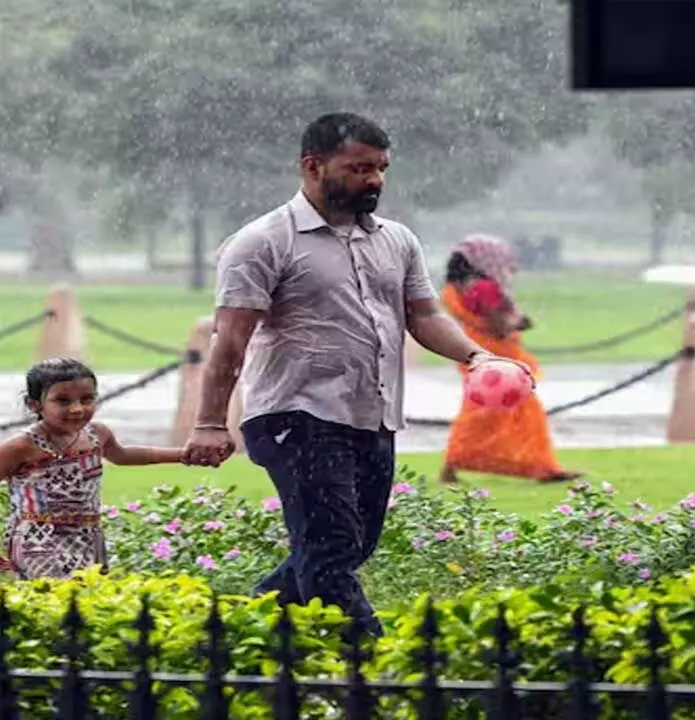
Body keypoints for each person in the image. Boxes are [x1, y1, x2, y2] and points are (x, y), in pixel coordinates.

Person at [180, 112, 522, 637]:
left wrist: (478, 357)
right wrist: (208, 422)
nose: (375, 180)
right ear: (312, 167)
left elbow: (425, 316)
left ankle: (234, 634)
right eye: (360, 167)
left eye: (381, 168)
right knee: (333, 548)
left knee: (352, 543)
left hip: (371, 414)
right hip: (296, 415)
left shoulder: (397, 240)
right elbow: (231, 341)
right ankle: (370, 662)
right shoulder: (263, 242)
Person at [0, 357, 185, 579]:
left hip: (88, 537)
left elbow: (122, 455)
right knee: (49, 600)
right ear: (34, 404)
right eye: (62, 401)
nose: (77, 409)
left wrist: (183, 455)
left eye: (87, 399)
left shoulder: (97, 435)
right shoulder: (21, 447)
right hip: (38, 542)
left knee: (89, 600)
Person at [437, 234, 583, 485]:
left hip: (476, 354)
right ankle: (541, 467)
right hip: (498, 358)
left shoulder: (459, 289)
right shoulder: (485, 288)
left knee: (482, 413)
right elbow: (499, 325)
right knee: (507, 414)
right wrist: (518, 322)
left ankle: (457, 466)